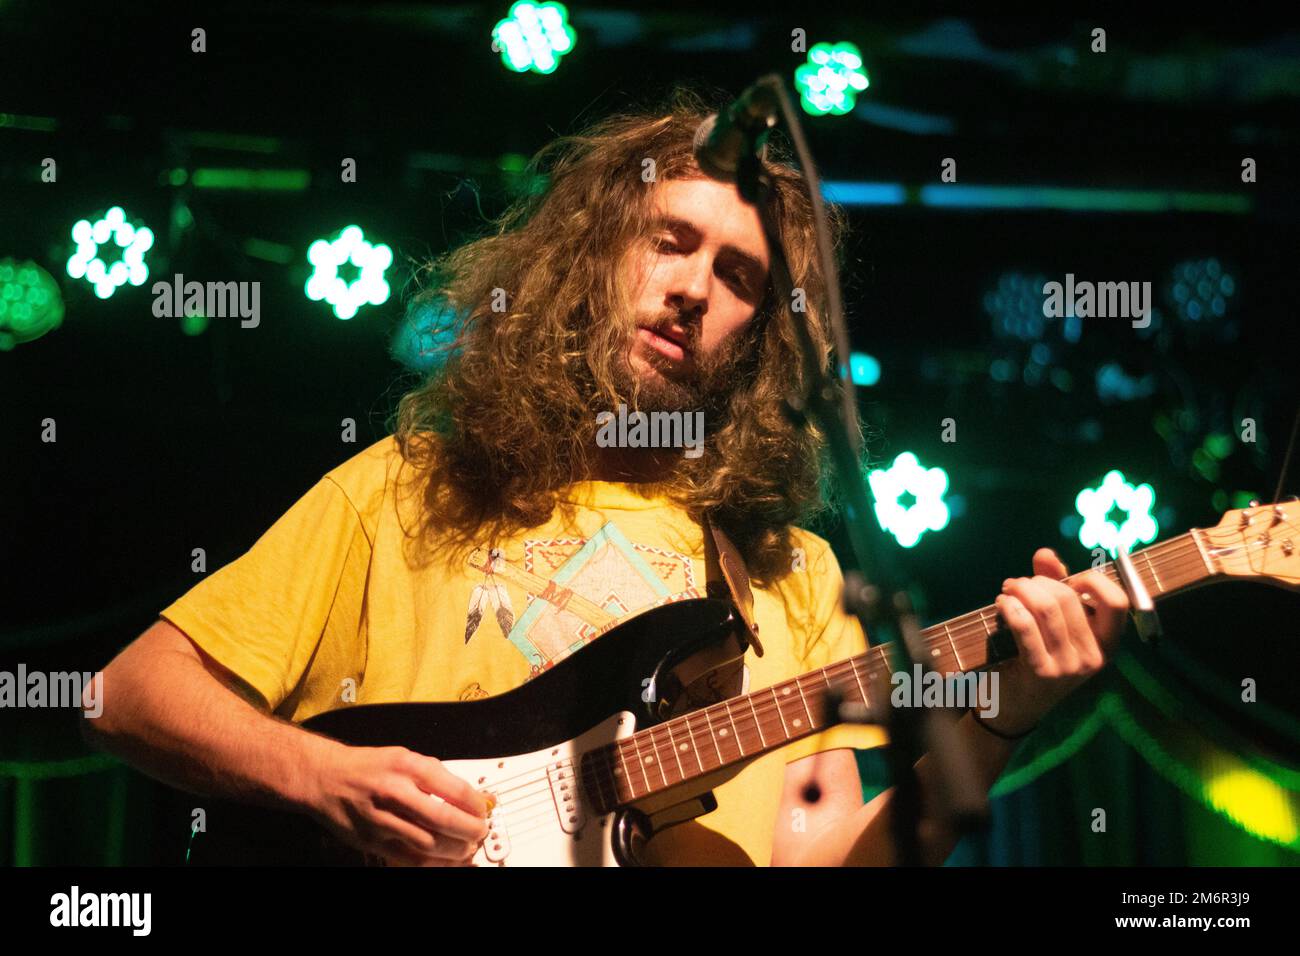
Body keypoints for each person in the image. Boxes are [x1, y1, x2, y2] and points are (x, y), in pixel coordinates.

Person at [83, 88, 1130, 866]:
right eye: (668, 243)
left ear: (761, 337)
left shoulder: (788, 571)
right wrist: (323, 777)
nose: (690, 290)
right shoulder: (406, 487)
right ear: (592, 257)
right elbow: (129, 695)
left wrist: (998, 716)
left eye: (737, 277)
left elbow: (822, 857)